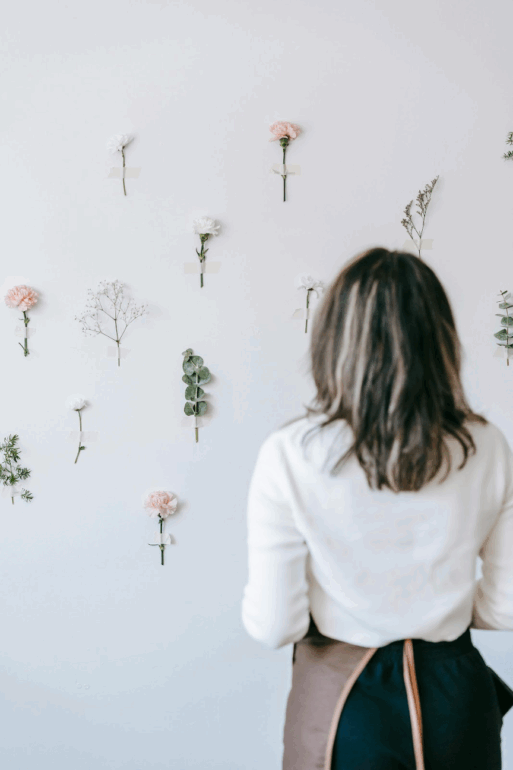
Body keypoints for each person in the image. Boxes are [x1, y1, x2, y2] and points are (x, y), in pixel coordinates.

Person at [241, 248, 513, 770]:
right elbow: (505, 606)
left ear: (334, 339)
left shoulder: (292, 453)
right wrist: (436, 609)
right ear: (441, 340)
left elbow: (274, 624)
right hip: (455, 700)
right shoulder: (487, 446)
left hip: (345, 706)